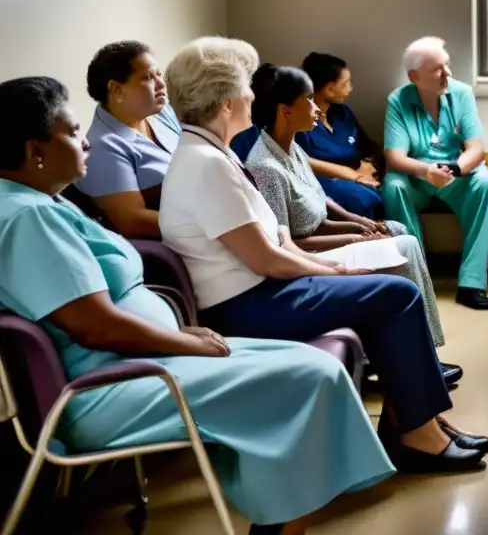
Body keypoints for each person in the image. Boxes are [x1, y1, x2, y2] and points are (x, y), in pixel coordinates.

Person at [0, 76, 395, 535]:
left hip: (141, 359)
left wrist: (180, 336)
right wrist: (182, 341)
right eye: (71, 131)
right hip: (111, 384)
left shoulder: (37, 203)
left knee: (314, 365)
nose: (86, 139)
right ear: (36, 152)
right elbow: (96, 328)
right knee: (308, 376)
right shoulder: (28, 217)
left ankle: (281, 518)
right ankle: (283, 525)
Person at [157, 37, 488, 472]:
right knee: (397, 295)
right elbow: (268, 260)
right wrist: (334, 269)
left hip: (261, 290)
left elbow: (275, 245)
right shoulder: (207, 164)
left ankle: (414, 421)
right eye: (245, 91)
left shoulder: (211, 155)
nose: (253, 98)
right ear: (225, 104)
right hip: (247, 305)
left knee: (389, 293)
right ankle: (416, 433)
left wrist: (332, 266)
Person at [244, 63, 458, 381]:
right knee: (404, 244)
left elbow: (320, 206)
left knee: (397, 230)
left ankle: (423, 351)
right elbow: (288, 245)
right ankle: (413, 360)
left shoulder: (293, 150)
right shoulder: (266, 167)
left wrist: (359, 224)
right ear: (286, 110)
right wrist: (357, 240)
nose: (317, 110)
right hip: (308, 258)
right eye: (309, 101)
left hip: (319, 242)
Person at [382, 37, 488, 311]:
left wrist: (456, 169)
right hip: (417, 177)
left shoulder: (462, 93)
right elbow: (395, 157)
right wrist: (425, 170)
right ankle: (416, 279)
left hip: (456, 174)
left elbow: (476, 149)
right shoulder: (398, 100)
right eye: (437, 69)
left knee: (484, 182)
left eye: (447, 66)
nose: (447, 73)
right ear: (414, 76)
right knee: (393, 185)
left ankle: (472, 284)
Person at [75, 41, 181, 237]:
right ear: (116, 90)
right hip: (182, 239)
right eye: (148, 77)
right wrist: (206, 225)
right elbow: (134, 221)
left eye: (159, 74)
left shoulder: (161, 113)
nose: (161, 84)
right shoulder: (101, 147)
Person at [293, 52, 386, 219]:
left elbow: (369, 146)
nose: (350, 89)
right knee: (361, 199)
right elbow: (298, 160)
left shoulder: (343, 113)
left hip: (359, 176)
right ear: (329, 89)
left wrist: (367, 164)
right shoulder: (299, 121)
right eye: (346, 83)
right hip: (323, 182)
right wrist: (353, 176)